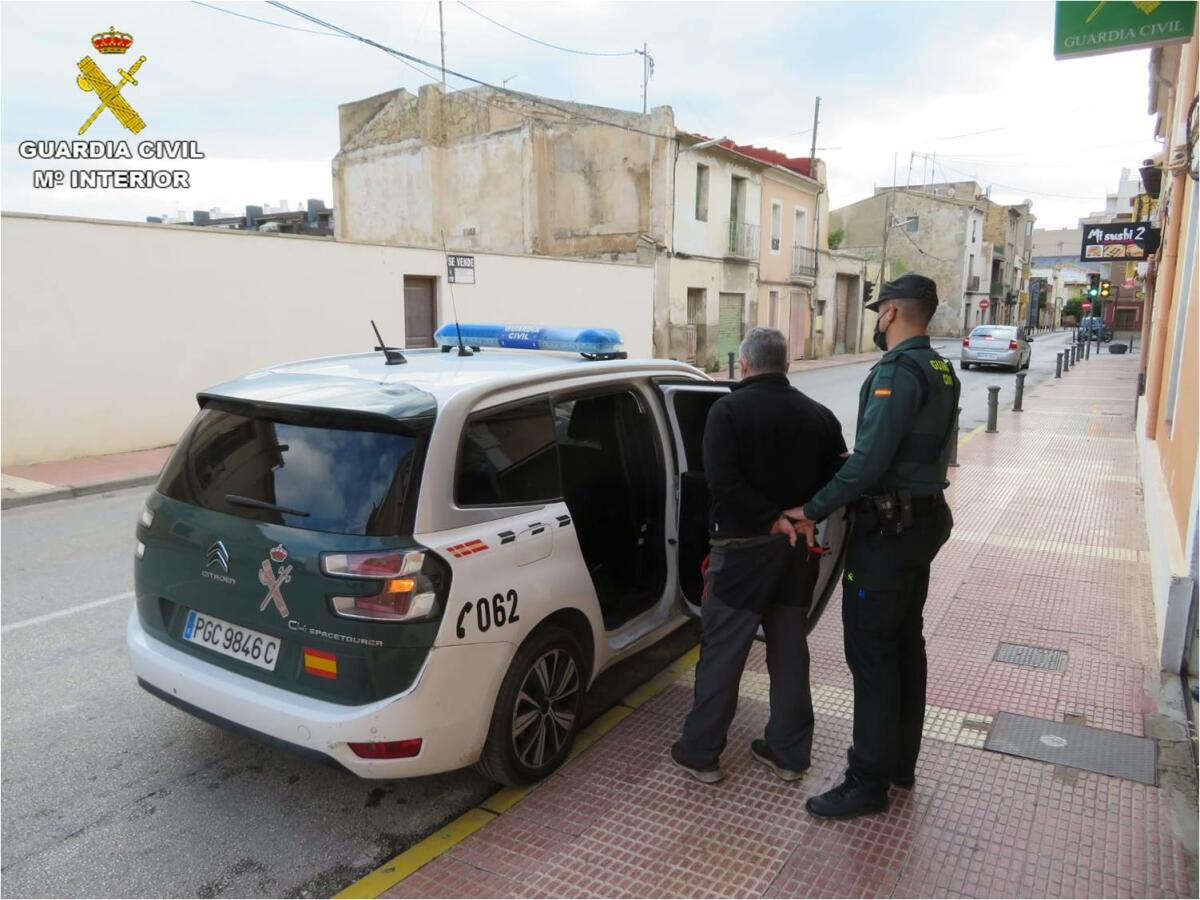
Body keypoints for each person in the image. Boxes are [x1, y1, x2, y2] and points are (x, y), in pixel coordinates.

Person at [786, 273, 960, 819]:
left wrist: (810, 508)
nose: (876, 320)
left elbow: (869, 461)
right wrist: (866, 467)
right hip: (922, 522)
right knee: (906, 643)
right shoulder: (940, 367)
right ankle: (899, 764)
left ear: (889, 314)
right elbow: (913, 451)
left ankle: (867, 781)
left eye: (877, 311)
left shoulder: (895, 370)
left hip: (888, 534)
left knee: (872, 653)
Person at [671, 327, 846, 784]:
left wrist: (773, 520)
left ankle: (700, 753)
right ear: (786, 365)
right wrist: (802, 516)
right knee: (789, 652)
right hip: (797, 555)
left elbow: (722, 482)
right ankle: (788, 755)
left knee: (724, 654)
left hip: (743, 555)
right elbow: (838, 479)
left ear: (744, 366)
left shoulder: (726, 411)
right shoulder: (822, 417)